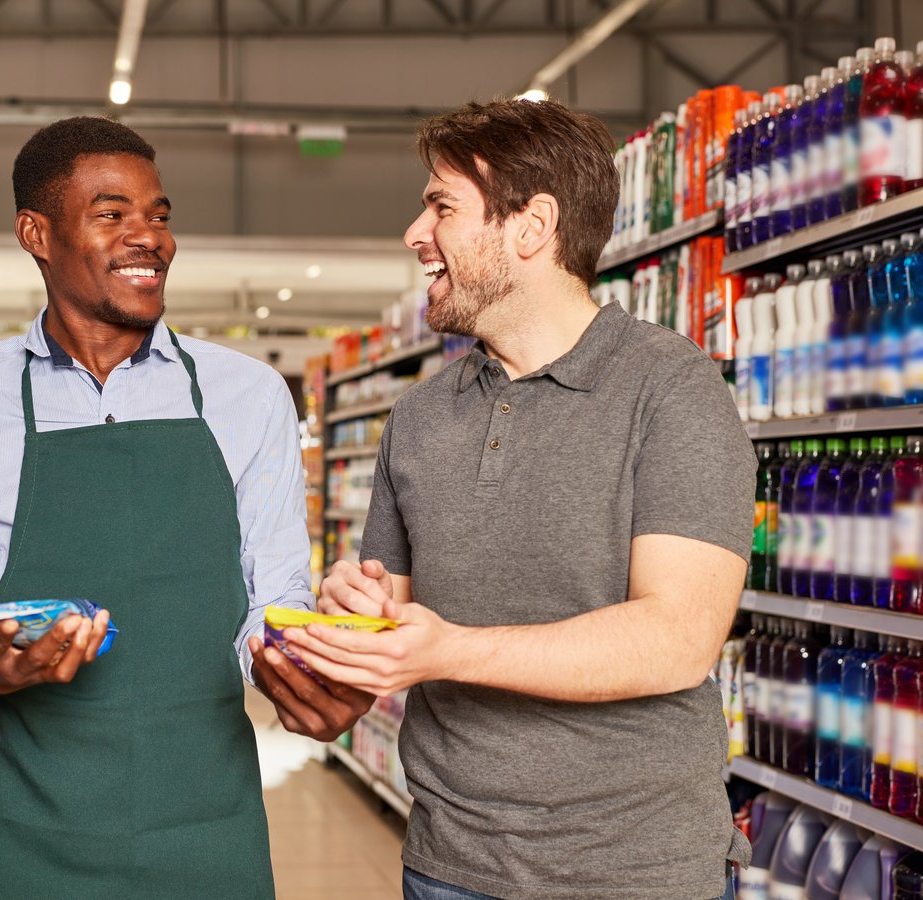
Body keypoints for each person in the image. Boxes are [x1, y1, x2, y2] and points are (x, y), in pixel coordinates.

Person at [279, 98, 756, 900]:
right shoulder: (419, 415)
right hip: (446, 862)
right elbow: (390, 613)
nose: (414, 234)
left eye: (441, 206)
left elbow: (680, 638)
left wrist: (447, 649)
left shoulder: (672, 389)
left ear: (531, 227)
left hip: (633, 873)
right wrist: (348, 614)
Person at [0, 116, 372, 899]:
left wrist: (299, 672)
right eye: (112, 214)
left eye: (159, 215)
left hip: (208, 827)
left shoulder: (247, 396)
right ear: (36, 234)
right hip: (34, 835)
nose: (149, 236)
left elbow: (274, 597)